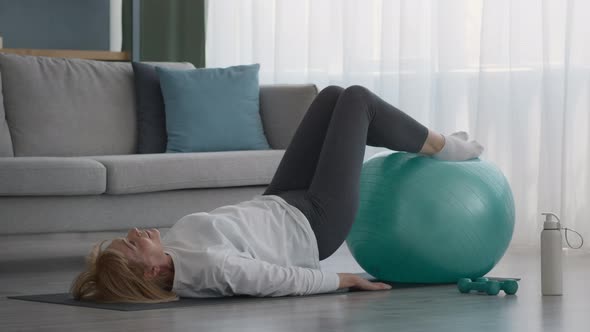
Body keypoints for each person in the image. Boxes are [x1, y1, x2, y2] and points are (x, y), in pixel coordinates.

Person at [71, 85, 484, 303]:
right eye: (131, 245)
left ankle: (411, 138)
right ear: (151, 272)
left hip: (282, 199)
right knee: (358, 100)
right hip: (316, 222)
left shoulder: (175, 252)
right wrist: (342, 280)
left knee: (333, 98)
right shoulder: (214, 270)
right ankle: (445, 146)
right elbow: (280, 280)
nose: (135, 232)